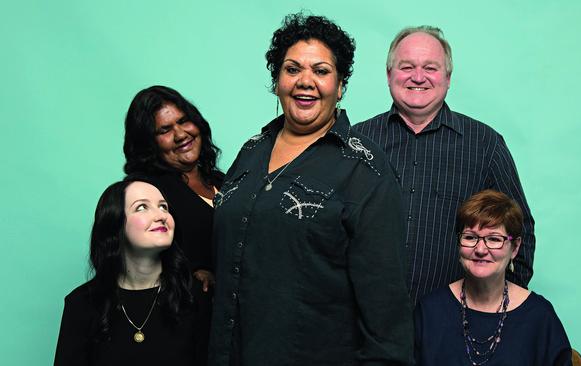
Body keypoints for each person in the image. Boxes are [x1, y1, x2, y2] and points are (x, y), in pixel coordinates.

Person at [208, 13, 413, 366]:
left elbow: (386, 306)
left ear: (341, 84)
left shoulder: (364, 168)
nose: (306, 82)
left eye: (321, 71)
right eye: (292, 69)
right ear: (276, 81)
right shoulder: (251, 150)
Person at [354, 26, 536, 303]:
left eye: (430, 67)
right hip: (364, 325)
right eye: (406, 67)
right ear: (389, 74)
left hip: (456, 326)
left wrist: (494, 306)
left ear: (448, 78)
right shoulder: (357, 142)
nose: (418, 77)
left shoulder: (485, 144)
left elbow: (519, 229)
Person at [53, 178, 211, 365]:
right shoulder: (82, 303)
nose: (160, 215)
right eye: (142, 207)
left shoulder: (195, 295)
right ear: (115, 223)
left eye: (163, 207)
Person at [415, 190, 571, 365]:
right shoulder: (429, 311)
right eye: (470, 237)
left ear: (515, 247)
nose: (481, 250)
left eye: (494, 239)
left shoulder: (540, 317)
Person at [123, 85, 225, 291]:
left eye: (183, 121)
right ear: (149, 143)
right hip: (189, 308)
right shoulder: (146, 190)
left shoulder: (222, 180)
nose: (180, 134)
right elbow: (138, 257)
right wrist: (190, 272)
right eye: (165, 130)